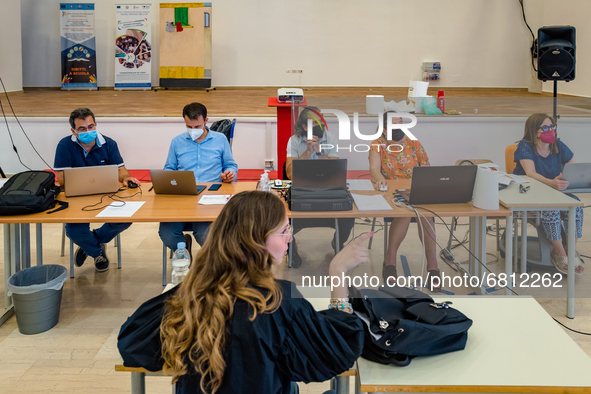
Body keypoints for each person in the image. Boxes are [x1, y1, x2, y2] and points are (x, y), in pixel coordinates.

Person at [118, 191, 369, 394]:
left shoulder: (190, 295)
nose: (289, 239)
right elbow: (338, 351)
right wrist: (338, 273)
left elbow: (131, 343)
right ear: (256, 241)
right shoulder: (277, 302)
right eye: (284, 231)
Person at [54, 108, 140, 272]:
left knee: (125, 219)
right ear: (73, 130)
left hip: (106, 195)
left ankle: (90, 244)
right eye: (82, 129)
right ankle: (97, 251)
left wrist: (125, 178)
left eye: (91, 126)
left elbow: (120, 169)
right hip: (76, 198)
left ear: (95, 125)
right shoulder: (65, 145)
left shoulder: (109, 143)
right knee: (74, 232)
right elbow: (62, 179)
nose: (88, 131)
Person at [368, 111, 441, 291]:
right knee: (404, 213)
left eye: (401, 123)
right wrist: (380, 180)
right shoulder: (378, 144)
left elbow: (426, 168)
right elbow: (374, 169)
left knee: (425, 214)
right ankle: (390, 261)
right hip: (391, 192)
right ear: (384, 129)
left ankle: (433, 266)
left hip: (416, 190)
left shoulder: (413, 143)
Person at [159, 102, 238, 255]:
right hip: (183, 196)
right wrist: (168, 178)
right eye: (189, 127)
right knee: (167, 234)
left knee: (205, 236)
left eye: (197, 127)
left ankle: (211, 266)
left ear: (206, 121)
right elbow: (169, 169)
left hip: (211, 196)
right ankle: (182, 248)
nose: (193, 131)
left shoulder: (220, 139)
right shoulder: (177, 142)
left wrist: (229, 173)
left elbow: (230, 164)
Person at [513, 113, 585, 275]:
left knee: (577, 206)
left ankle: (571, 250)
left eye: (552, 127)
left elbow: (573, 168)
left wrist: (578, 179)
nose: (550, 130)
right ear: (534, 130)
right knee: (551, 208)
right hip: (531, 193)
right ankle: (558, 251)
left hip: (556, 192)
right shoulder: (525, 146)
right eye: (545, 128)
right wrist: (552, 182)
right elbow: (530, 173)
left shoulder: (558, 145)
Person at [285, 107, 356, 268]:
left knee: (349, 217)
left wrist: (319, 151)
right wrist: (308, 153)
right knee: (281, 219)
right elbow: (290, 173)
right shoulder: (294, 140)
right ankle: (291, 246)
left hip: (327, 190)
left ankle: (337, 242)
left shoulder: (330, 138)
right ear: (304, 127)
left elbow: (336, 171)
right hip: (302, 191)